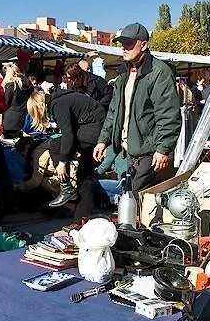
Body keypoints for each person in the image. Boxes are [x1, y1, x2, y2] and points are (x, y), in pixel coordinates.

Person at [94, 23, 181, 191]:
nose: (124, 48)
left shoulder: (159, 73)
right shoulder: (123, 73)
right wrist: (102, 140)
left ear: (144, 45)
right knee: (129, 195)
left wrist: (163, 149)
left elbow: (168, 115)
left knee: (132, 194)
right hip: (128, 150)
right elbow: (114, 111)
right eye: (122, 44)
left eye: (129, 43)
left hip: (149, 151)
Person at [45, 64, 106, 220]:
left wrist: (62, 163)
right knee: (84, 177)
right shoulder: (65, 98)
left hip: (94, 131)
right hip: (96, 130)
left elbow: (68, 135)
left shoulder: (58, 104)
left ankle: (66, 188)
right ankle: (81, 220)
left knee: (55, 145)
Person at [1, 63, 34, 138]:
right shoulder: (27, 85)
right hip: (23, 118)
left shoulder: (11, 86)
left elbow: (5, 103)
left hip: (9, 121)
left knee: (9, 145)